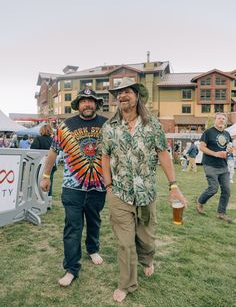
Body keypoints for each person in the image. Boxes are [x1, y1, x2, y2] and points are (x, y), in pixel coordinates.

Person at [101, 77, 187, 303]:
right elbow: (105, 156)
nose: (122, 95)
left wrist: (174, 185)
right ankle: (126, 283)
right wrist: (108, 185)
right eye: (118, 92)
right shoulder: (109, 127)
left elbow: (163, 154)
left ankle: (147, 260)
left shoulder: (153, 125)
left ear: (137, 95)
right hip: (119, 193)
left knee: (146, 238)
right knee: (125, 242)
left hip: (146, 192)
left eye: (127, 91)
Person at [40, 88, 107, 287]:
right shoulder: (65, 126)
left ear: (96, 104)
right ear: (77, 104)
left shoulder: (107, 124)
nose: (87, 104)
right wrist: (46, 176)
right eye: (83, 101)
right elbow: (53, 152)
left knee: (94, 221)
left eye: (91, 101)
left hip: (98, 186)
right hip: (72, 187)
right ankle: (71, 269)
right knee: (73, 227)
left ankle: (93, 249)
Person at [196, 113, 233, 223]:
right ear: (215, 120)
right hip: (210, 164)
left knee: (226, 190)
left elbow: (228, 148)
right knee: (213, 188)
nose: (221, 120)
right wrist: (215, 154)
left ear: (225, 121)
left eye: (223, 119)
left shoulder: (227, 134)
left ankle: (221, 214)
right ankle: (200, 201)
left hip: (223, 166)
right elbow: (202, 147)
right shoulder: (208, 132)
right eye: (219, 118)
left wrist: (230, 151)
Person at [31, 124, 57, 208]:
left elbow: (33, 150)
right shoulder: (53, 140)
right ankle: (48, 203)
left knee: (37, 182)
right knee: (50, 183)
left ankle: (38, 200)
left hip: (40, 164)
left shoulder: (38, 139)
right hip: (51, 164)